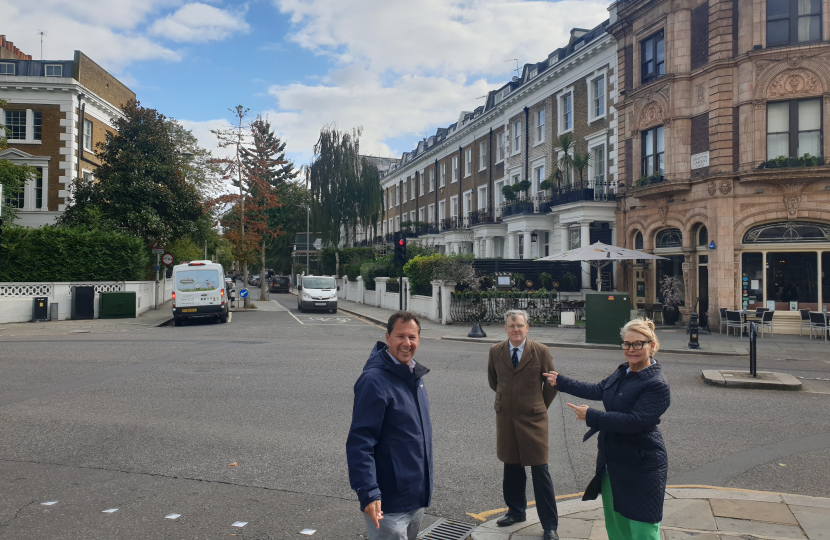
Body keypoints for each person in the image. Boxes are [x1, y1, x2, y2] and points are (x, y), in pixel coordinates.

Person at [545, 318, 670, 540]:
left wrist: (591, 415)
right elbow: (599, 389)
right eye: (626, 344)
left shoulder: (656, 384)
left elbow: (634, 421)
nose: (631, 349)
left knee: (643, 529)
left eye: (638, 344)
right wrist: (561, 382)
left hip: (642, 463)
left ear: (652, 345)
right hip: (612, 460)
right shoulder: (623, 371)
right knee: (616, 525)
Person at [346, 311, 433, 540]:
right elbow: (360, 442)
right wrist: (369, 492)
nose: (406, 343)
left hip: (415, 497)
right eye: (400, 336)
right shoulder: (374, 381)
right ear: (387, 338)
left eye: (412, 337)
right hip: (388, 502)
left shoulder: (414, 375)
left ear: (419, 339)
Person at [487, 309, 560, 540]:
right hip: (506, 417)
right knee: (512, 467)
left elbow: (551, 383)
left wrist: (538, 406)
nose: (515, 329)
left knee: (540, 471)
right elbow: (493, 380)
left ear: (527, 328)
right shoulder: (495, 351)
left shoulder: (540, 351)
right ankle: (516, 511)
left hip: (533, 419)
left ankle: (550, 525)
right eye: (511, 326)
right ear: (505, 328)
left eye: (519, 325)